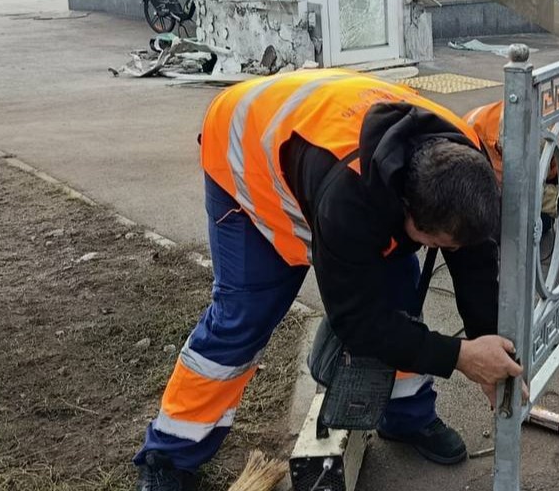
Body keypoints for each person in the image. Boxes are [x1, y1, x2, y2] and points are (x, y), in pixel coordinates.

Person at [135, 69, 522, 491]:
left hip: (322, 142)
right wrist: (460, 356)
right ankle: (170, 452)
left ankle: (406, 416)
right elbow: (357, 323)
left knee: (398, 297)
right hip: (250, 160)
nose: (447, 250)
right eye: (437, 243)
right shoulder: (348, 201)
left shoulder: (466, 162)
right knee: (244, 315)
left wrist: (489, 350)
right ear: (407, 208)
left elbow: (475, 264)